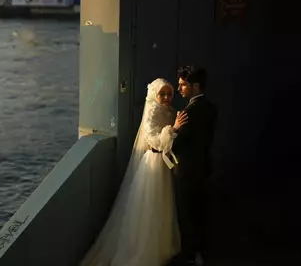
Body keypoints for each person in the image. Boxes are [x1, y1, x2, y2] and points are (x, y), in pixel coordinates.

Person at [80, 78, 188, 266]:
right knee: (151, 205)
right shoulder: (152, 112)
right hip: (154, 163)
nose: (166, 97)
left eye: (169, 93)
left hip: (164, 163)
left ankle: (162, 246)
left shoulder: (170, 111)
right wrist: (174, 129)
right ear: (154, 95)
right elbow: (154, 140)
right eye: (162, 93)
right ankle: (146, 250)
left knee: (163, 204)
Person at [169, 66, 218, 266]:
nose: (179, 88)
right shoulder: (212, 108)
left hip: (187, 170)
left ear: (195, 86)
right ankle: (201, 252)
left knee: (186, 213)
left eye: (183, 85)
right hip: (203, 167)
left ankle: (189, 255)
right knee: (200, 211)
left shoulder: (188, 112)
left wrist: (174, 129)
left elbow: (176, 144)